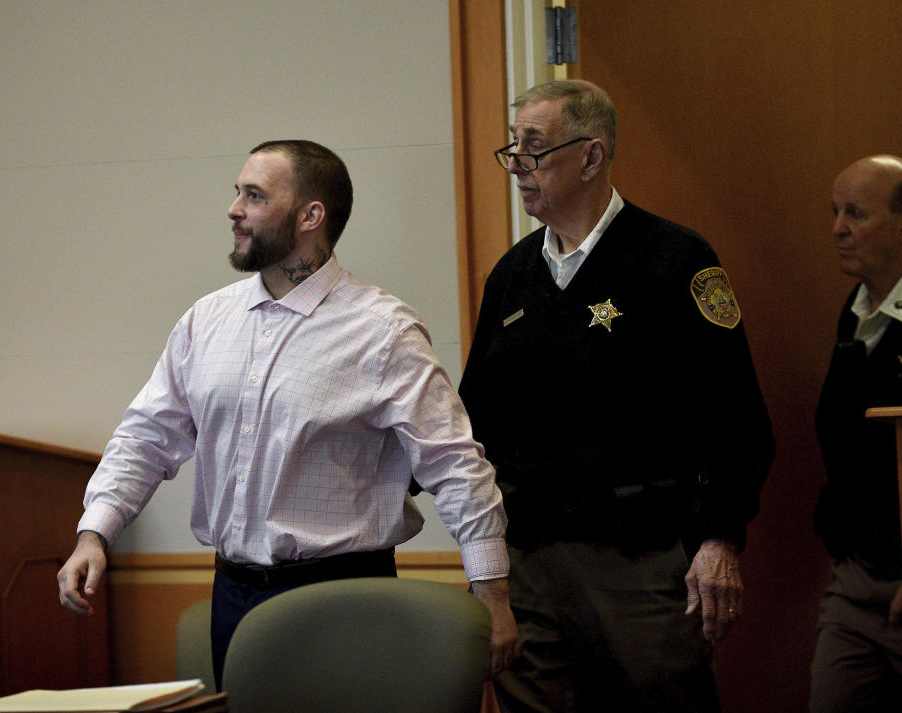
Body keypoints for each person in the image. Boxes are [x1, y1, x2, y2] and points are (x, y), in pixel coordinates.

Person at [57, 139, 519, 687]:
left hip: (347, 597)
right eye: (238, 193)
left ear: (310, 215)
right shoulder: (205, 321)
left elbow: (455, 464)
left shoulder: (384, 331)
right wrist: (94, 535)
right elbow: (145, 438)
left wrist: (491, 591)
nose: (233, 209)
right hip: (232, 592)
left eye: (253, 195)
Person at [457, 80, 775, 712]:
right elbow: (472, 420)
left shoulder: (675, 259)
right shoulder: (513, 274)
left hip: (641, 561)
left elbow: (737, 415)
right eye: (513, 148)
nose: (517, 165)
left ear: (592, 156)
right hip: (528, 565)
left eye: (535, 148)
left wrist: (719, 540)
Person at [810, 154, 902, 713]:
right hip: (858, 575)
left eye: (856, 213)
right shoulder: (859, 307)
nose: (838, 228)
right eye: (835, 211)